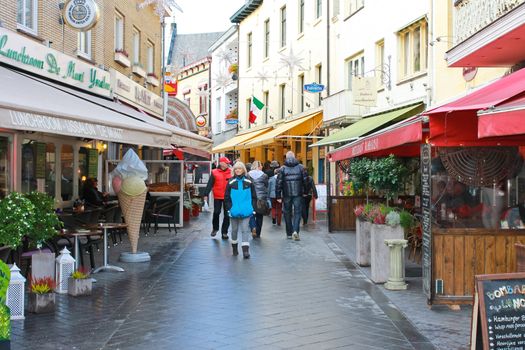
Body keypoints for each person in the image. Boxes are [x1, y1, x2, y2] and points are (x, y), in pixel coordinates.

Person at [224, 161, 257, 258]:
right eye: (236, 169)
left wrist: (252, 208)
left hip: (246, 210)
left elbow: (254, 196)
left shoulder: (249, 181)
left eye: (240, 168)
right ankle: (234, 248)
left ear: (243, 170)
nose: (238, 170)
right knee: (234, 230)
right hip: (234, 211)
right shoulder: (230, 182)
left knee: (245, 230)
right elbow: (226, 197)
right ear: (234, 170)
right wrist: (229, 209)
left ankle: (246, 251)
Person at [276, 151, 308, 241]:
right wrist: (305, 192)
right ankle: (295, 231)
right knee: (297, 212)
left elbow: (278, 184)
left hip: (286, 194)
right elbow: (306, 181)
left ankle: (289, 233)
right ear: (294, 157)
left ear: (286, 157)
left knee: (287, 213)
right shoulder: (301, 167)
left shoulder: (282, 169)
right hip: (298, 194)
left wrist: (278, 196)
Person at [203, 156, 232, 239]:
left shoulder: (231, 172)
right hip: (217, 196)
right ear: (222, 163)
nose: (228, 164)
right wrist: (205, 195)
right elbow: (210, 184)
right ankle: (215, 228)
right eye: (227, 163)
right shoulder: (214, 172)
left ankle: (224, 232)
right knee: (216, 212)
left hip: (227, 197)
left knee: (227, 215)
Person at [248, 161, 269, 238]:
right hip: (261, 198)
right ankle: (258, 233)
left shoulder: (248, 175)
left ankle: (253, 227)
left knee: (251, 214)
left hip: (251, 197)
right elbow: (266, 186)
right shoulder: (264, 175)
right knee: (260, 215)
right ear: (259, 166)